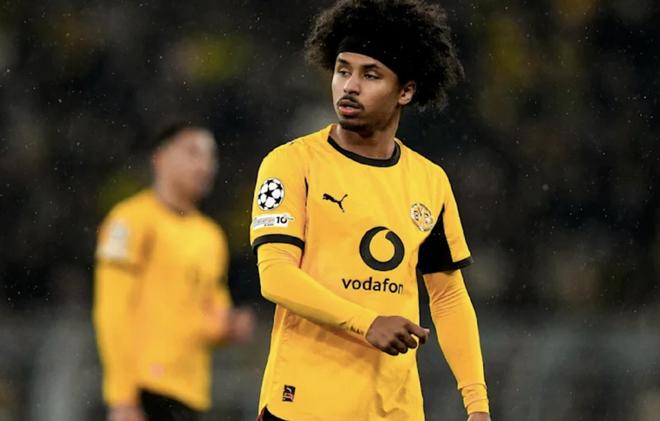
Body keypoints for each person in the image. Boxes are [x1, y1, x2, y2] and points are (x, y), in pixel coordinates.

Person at [249, 1, 491, 420]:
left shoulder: (429, 181)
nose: (350, 86)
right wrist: (367, 322)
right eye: (343, 70)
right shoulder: (291, 164)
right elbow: (276, 276)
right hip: (303, 404)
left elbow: (448, 296)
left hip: (394, 408)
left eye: (371, 75)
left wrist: (477, 405)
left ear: (405, 92)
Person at [94, 123, 255, 421]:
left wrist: (228, 326)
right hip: (145, 387)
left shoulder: (210, 236)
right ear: (160, 158)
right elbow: (112, 311)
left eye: (211, 157)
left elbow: (209, 312)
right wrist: (122, 397)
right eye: (193, 153)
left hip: (191, 391)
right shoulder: (130, 221)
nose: (205, 165)